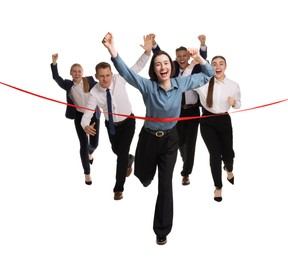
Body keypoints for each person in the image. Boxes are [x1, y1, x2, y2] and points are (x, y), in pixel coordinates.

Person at [102, 32, 214, 245]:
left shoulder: (180, 84)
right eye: (158, 64)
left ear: (170, 67)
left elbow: (208, 75)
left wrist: (199, 58)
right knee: (144, 178)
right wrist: (112, 49)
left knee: (165, 184)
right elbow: (125, 72)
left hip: (170, 139)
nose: (163, 67)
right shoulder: (148, 86)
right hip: (148, 139)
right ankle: (139, 168)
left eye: (166, 63)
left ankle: (161, 230)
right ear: (154, 69)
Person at [81, 34, 153, 201]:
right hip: (112, 126)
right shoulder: (94, 93)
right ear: (97, 76)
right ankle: (129, 160)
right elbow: (87, 115)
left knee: (120, 155)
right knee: (117, 151)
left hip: (128, 123)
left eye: (107, 75)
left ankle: (118, 188)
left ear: (111, 74)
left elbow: (137, 67)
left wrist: (147, 53)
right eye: (101, 76)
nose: (105, 79)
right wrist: (85, 125)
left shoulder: (120, 78)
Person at [151, 34, 207, 185]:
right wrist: (154, 43)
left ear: (188, 57)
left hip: (193, 111)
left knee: (191, 144)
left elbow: (204, 61)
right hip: (176, 112)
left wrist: (202, 44)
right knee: (179, 141)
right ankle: (183, 156)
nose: (182, 58)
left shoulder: (195, 69)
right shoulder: (173, 69)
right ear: (175, 58)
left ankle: (186, 173)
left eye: (184, 56)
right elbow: (160, 57)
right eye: (179, 56)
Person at [194, 55, 241, 202]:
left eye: (221, 64)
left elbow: (239, 103)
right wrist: (194, 63)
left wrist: (234, 103)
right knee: (215, 154)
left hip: (224, 120)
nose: (217, 67)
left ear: (225, 66)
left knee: (228, 154)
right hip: (207, 121)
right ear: (210, 67)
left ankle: (229, 169)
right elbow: (187, 80)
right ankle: (218, 187)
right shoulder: (203, 83)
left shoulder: (233, 85)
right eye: (214, 64)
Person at [50, 55, 100, 185]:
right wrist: (54, 62)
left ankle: (90, 152)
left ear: (82, 73)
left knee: (94, 144)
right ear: (71, 73)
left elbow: (102, 89)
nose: (77, 73)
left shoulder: (89, 80)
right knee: (83, 144)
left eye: (79, 71)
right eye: (74, 71)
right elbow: (56, 78)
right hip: (79, 117)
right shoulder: (68, 84)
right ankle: (87, 173)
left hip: (93, 115)